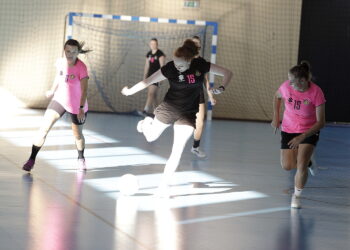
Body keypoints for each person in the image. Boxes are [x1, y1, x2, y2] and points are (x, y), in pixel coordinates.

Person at [122, 39, 232, 197]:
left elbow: (228, 73)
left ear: (190, 60)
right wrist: (130, 91)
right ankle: (146, 123)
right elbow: (148, 81)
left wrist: (222, 87)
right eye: (176, 63)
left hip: (188, 113)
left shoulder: (200, 64)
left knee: (177, 151)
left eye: (181, 65)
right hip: (169, 108)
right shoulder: (171, 67)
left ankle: (162, 186)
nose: (177, 67)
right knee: (151, 137)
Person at [22, 39, 91, 172]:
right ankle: (31, 159)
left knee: (77, 135)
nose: (70, 54)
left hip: (77, 105)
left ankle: (81, 158)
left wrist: (81, 108)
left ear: (78, 53)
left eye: (73, 52)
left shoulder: (81, 68)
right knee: (43, 129)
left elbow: (84, 90)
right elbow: (58, 77)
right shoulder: (60, 62)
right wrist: (52, 90)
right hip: (60, 99)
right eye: (67, 51)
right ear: (64, 50)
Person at [271, 61, 326, 208]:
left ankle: (296, 196)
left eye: (294, 82)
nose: (291, 85)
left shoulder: (316, 92)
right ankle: (309, 162)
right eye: (290, 82)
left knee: (300, 165)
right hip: (288, 128)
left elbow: (321, 122)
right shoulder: (286, 86)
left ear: (303, 81)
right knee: (287, 166)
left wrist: (302, 137)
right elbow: (277, 96)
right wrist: (276, 117)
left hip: (309, 130)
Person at [190, 36, 217, 158]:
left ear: (199, 47)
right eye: (193, 43)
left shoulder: (202, 62)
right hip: (184, 95)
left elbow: (205, 80)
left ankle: (195, 148)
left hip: (198, 94)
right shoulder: (183, 60)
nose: (195, 45)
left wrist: (210, 96)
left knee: (200, 123)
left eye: (197, 43)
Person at [141, 38, 166, 117]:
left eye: (154, 44)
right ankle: (157, 112)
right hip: (149, 76)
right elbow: (146, 66)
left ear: (157, 44)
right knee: (153, 95)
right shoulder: (149, 54)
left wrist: (162, 77)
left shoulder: (160, 54)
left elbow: (162, 67)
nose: (153, 45)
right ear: (149, 44)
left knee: (151, 93)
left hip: (157, 77)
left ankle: (145, 110)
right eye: (151, 44)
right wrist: (144, 77)